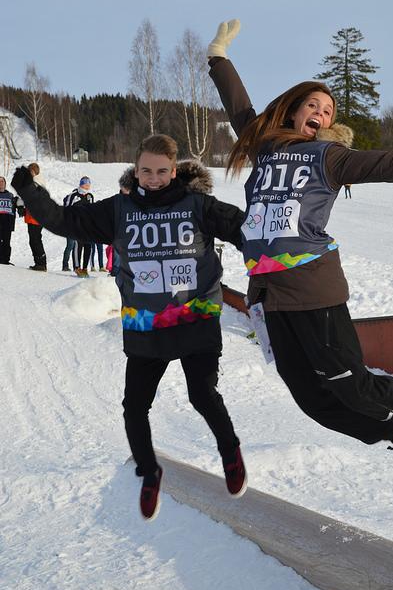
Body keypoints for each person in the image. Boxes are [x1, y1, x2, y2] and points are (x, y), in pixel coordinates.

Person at [207, 19, 393, 456]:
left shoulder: (330, 158)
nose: (321, 114)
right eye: (314, 105)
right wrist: (218, 58)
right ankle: (390, 431)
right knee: (309, 397)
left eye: (328, 111)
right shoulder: (265, 147)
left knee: (352, 384)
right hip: (269, 292)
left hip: (312, 285)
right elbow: (241, 112)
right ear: (293, 111)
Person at [11, 133, 247, 521]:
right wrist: (30, 192)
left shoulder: (198, 206)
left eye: (161, 172)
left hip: (195, 318)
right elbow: (65, 221)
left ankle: (230, 453)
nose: (152, 178)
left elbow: (242, 229)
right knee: (134, 408)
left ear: (174, 171)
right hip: (146, 326)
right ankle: (149, 472)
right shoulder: (119, 210)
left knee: (202, 394)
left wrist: (267, 268)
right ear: (135, 169)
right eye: (145, 171)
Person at [62, 176, 94, 277]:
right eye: (86, 184)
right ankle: (77, 267)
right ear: (81, 184)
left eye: (89, 184)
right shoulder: (73, 195)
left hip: (87, 226)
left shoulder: (90, 196)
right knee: (77, 246)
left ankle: (85, 268)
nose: (87, 186)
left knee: (88, 246)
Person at [25, 163, 47, 271]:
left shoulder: (37, 182)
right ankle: (39, 262)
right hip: (32, 215)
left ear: (34, 172)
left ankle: (41, 263)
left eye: (30, 171)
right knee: (34, 240)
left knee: (35, 239)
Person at [0, 176, 18, 265]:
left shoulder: (10, 195)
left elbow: (17, 205)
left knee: (6, 241)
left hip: (7, 221)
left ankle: (6, 260)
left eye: (2, 181)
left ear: (5, 183)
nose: (1, 183)